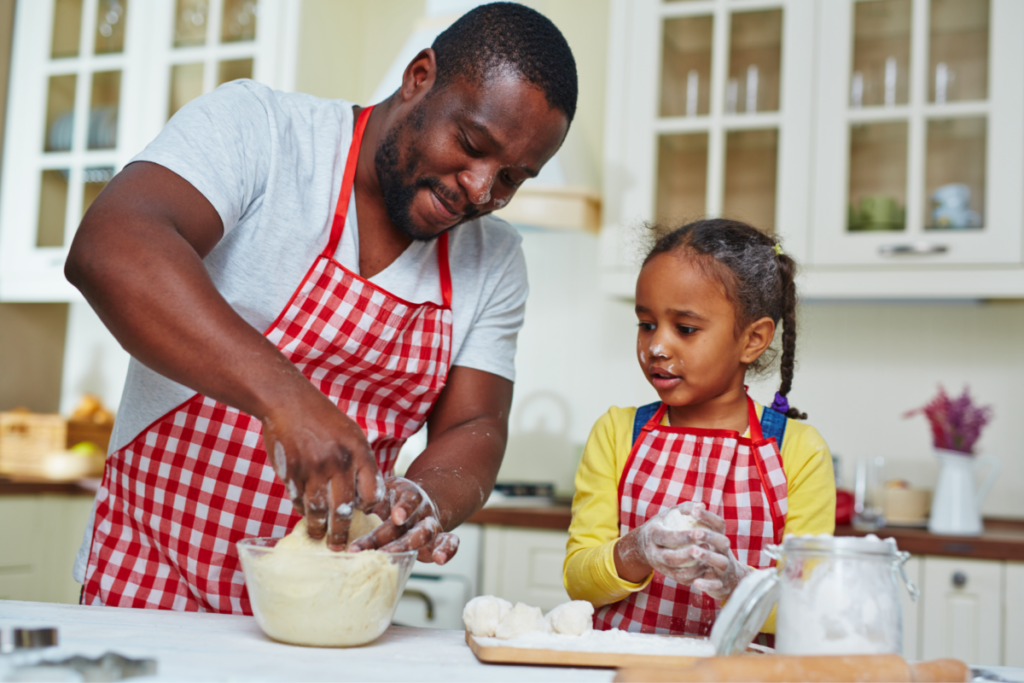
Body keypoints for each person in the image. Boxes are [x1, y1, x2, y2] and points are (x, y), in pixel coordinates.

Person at [65, 3, 577, 613]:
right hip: (147, 586)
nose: (480, 189)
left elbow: (474, 426)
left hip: (329, 617)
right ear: (419, 77)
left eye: (512, 178)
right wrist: (290, 402)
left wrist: (424, 500)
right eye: (470, 143)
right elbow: (111, 247)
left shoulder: (493, 260)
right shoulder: (263, 132)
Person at [563, 219, 835, 638]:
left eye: (685, 329)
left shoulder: (797, 450)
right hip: (624, 668)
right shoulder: (618, 432)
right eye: (647, 324)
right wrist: (637, 548)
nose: (657, 346)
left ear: (752, 340)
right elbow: (579, 581)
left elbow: (808, 601)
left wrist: (738, 584)